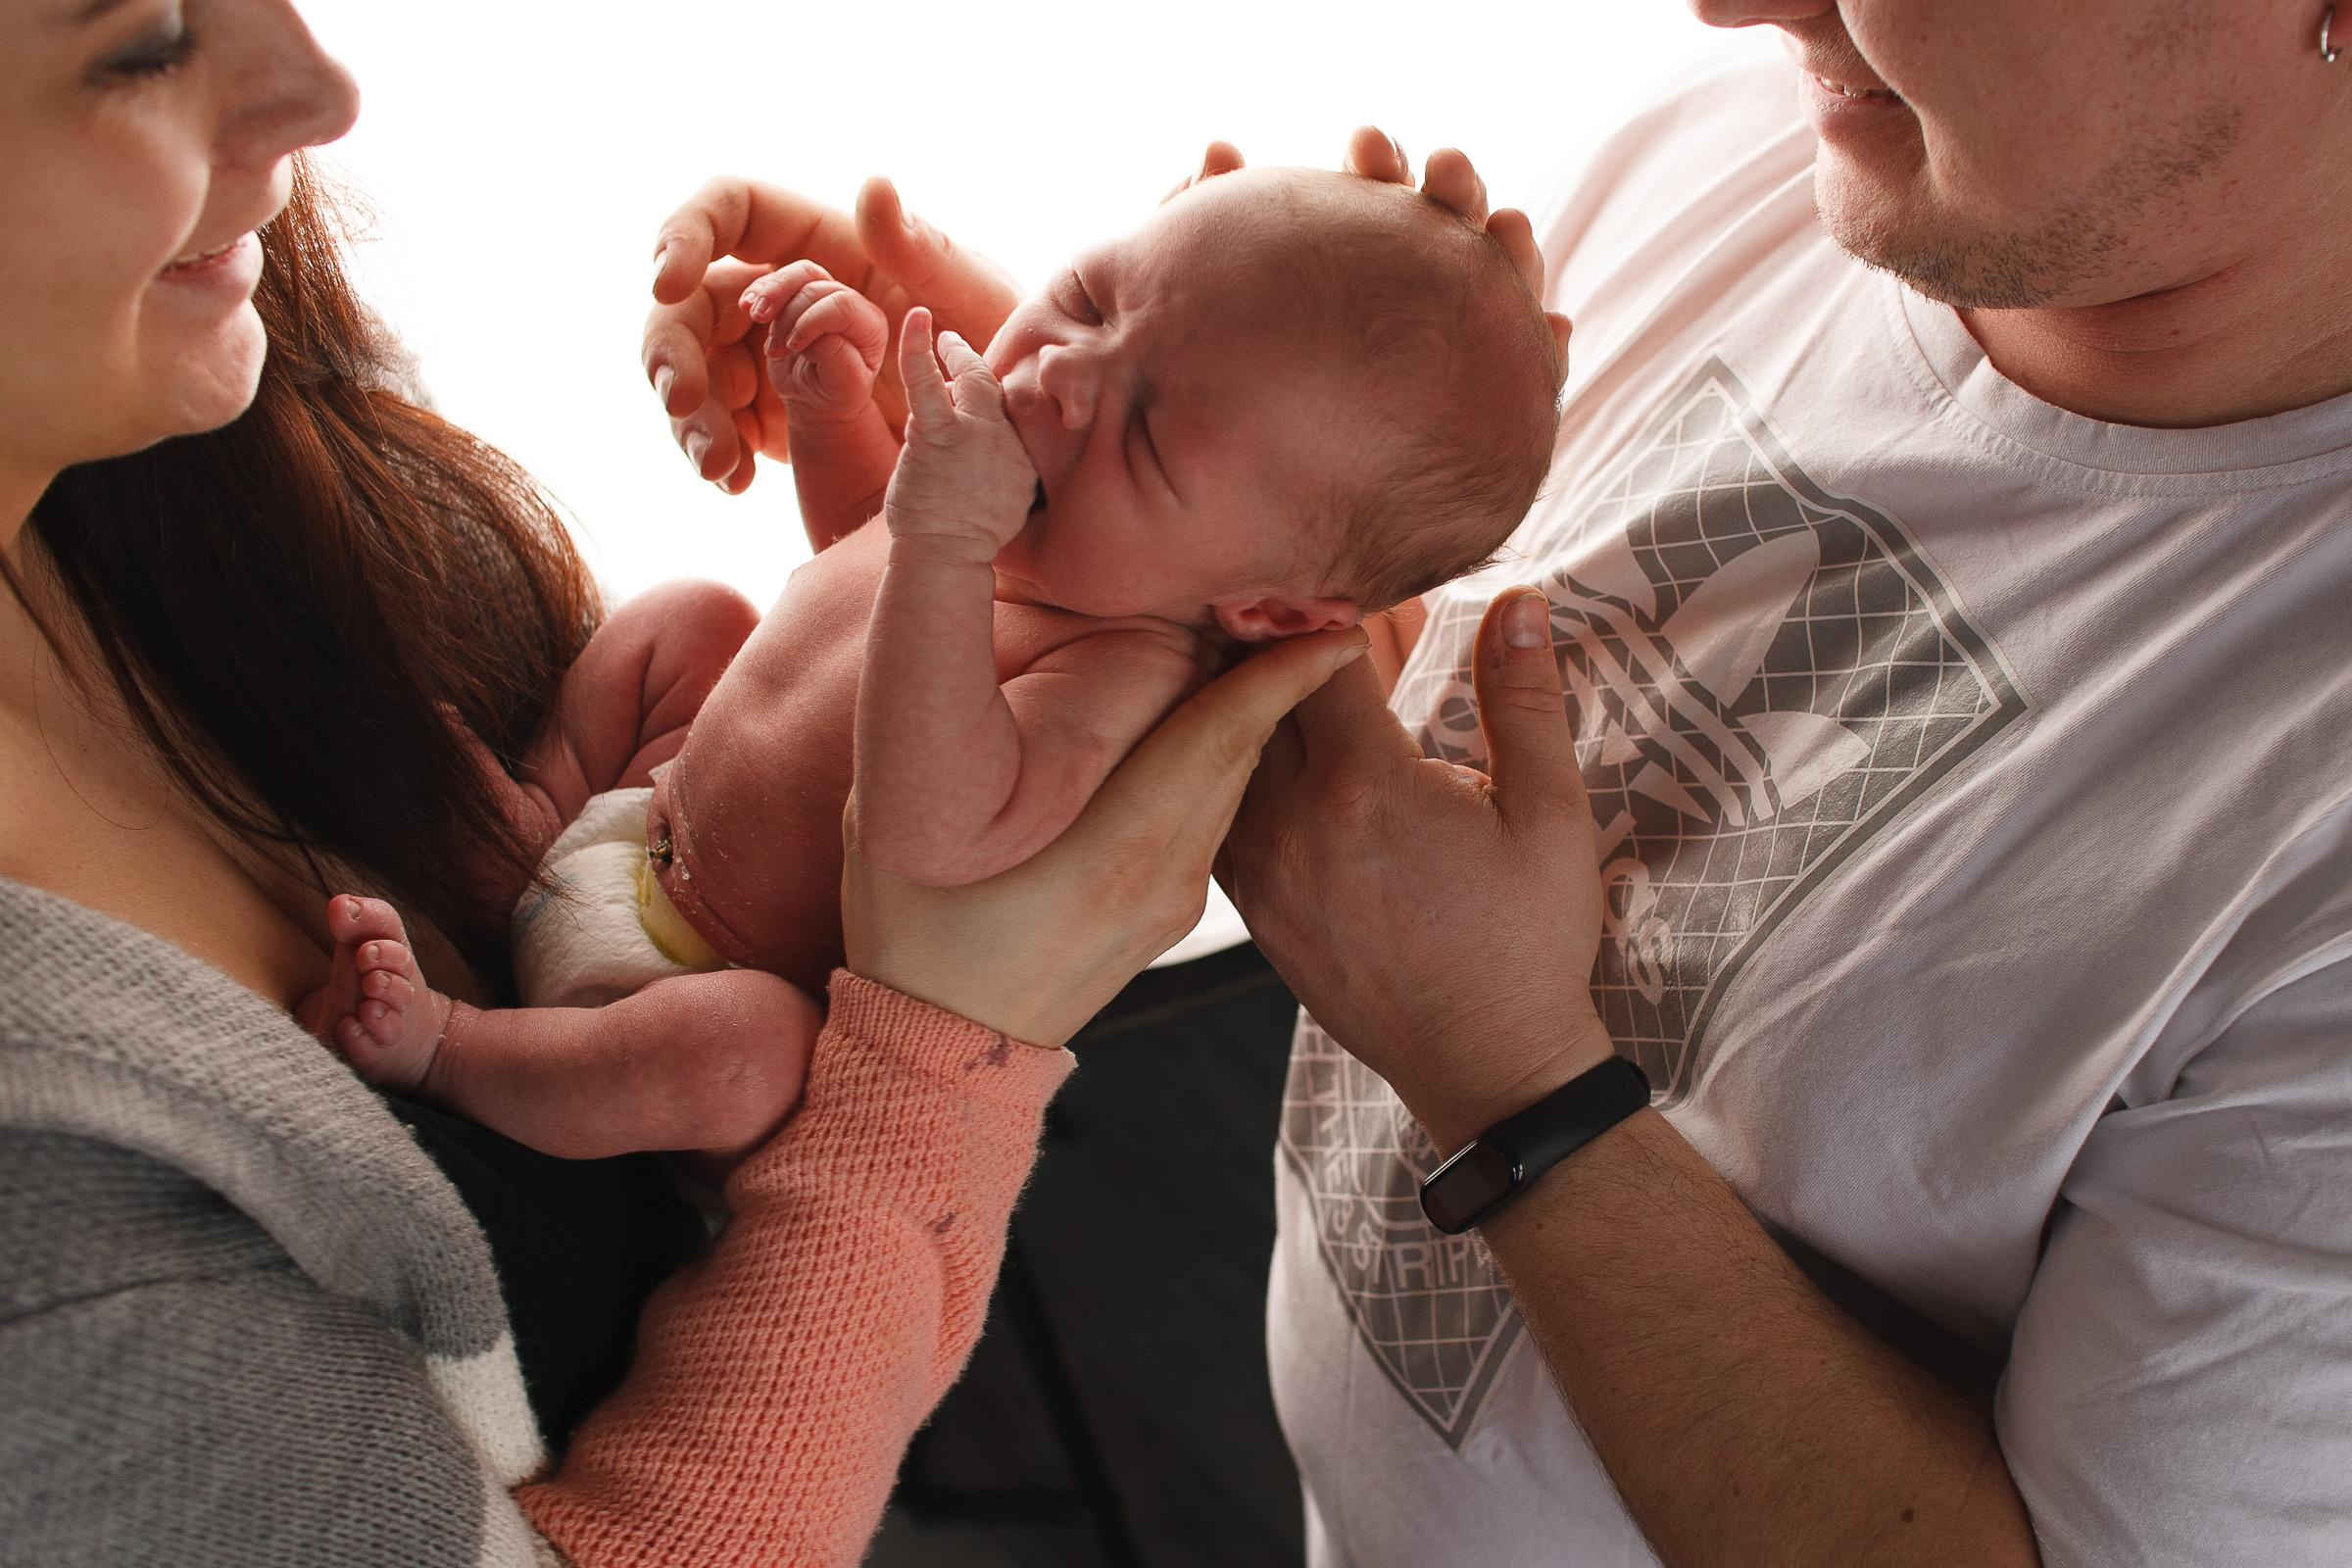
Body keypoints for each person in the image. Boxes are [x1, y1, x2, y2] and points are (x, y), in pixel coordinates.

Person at [647, 3, 2352, 1562]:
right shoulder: (1779, 146)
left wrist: (1518, 1086)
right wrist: (1042, 421)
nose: (1732, 5)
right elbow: (1340, 621)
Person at [0, 3, 1366, 1565]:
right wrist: (945, 1066)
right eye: (142, 42)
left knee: (738, 963)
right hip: (629, 879)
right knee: (692, 632)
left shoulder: (166, 449)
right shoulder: (61, 1254)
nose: (326, 85)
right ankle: (463, 994)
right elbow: (864, 579)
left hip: (666, 958)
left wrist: (956, 440)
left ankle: (473, 971)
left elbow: (936, 793)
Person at [318, 165, 1564, 1166]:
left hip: (680, 983)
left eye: (1145, 435)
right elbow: (852, 567)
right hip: (637, 814)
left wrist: (946, 533)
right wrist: (832, 409)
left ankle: (453, 1050)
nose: (1061, 375)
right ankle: (538, 813)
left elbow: (929, 828)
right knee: (694, 615)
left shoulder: (1123, 675)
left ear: (1269, 604)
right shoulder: (1002, 511)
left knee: (752, 1058)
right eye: (1084, 296)